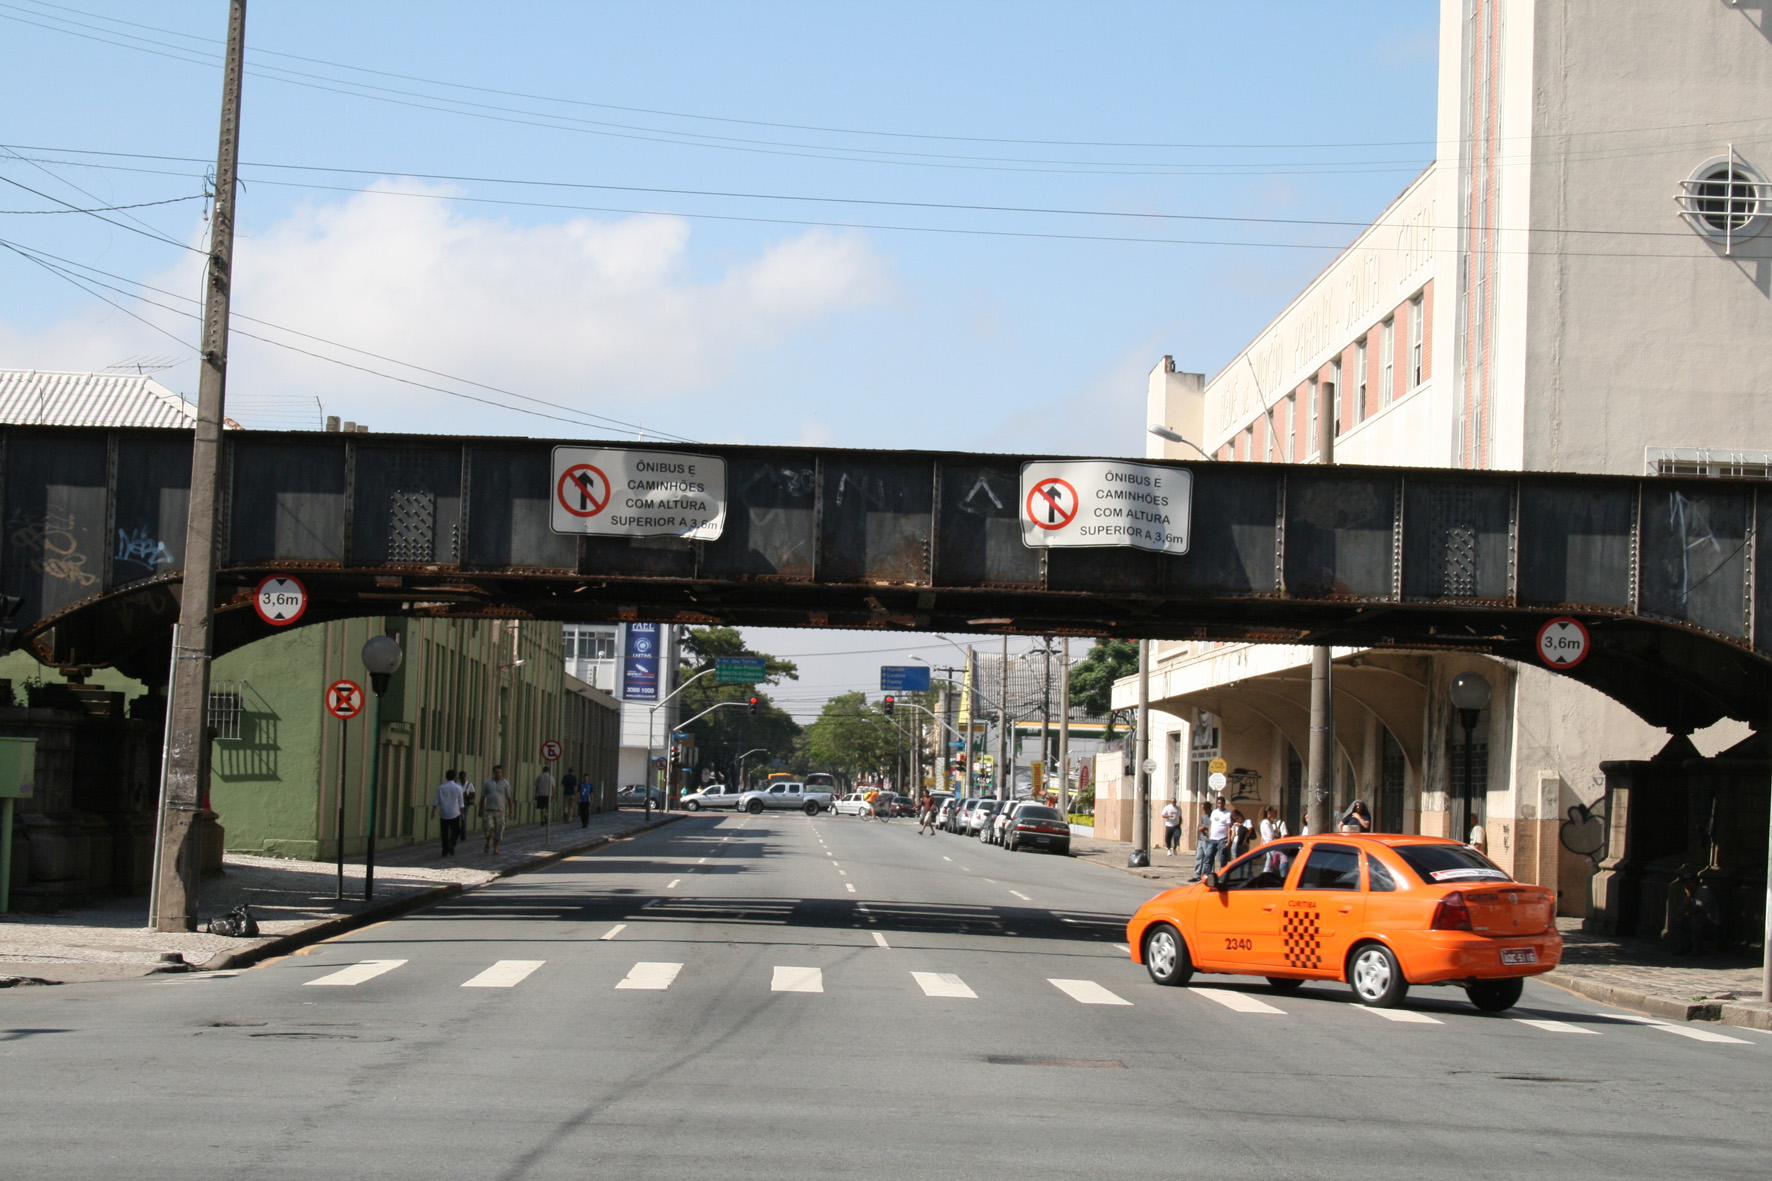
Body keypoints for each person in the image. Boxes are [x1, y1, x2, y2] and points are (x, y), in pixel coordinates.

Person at [1675, 872, 1722, 956]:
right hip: (1696, 921)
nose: (1687, 885)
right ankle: (1683, 946)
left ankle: (1697, 949)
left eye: (1689, 883)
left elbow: (1698, 909)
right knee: (1677, 920)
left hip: (1711, 925)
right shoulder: (1690, 894)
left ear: (1695, 883)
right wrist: (1688, 898)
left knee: (1695, 919)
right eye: (1685, 883)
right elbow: (1682, 911)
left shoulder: (1705, 892)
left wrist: (1684, 914)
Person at [1193, 796, 1232, 881]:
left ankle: (1222, 877)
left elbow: (1229, 828)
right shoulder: (1214, 812)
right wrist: (1210, 835)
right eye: (1218, 803)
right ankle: (1206, 877)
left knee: (1222, 860)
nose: (1220, 805)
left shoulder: (1227, 814)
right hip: (1212, 840)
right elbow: (1211, 824)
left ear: (1224, 804)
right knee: (1208, 858)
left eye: (1221, 803)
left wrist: (1229, 841)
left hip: (1223, 840)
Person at [430, 769, 464, 856]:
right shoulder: (458, 788)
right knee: (456, 831)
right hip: (455, 812)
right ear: (455, 777)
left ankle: (445, 850)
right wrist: (462, 813)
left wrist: (433, 811)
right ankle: (452, 842)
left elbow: (436, 801)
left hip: (444, 812)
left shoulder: (441, 788)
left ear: (446, 777)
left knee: (444, 832)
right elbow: (460, 802)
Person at [480, 765, 513, 854]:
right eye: (496, 772)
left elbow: (509, 797)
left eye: (500, 772)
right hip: (489, 809)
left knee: (499, 830)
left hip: (500, 810)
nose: (498, 774)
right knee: (488, 827)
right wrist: (480, 809)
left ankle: (496, 848)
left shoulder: (505, 783)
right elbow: (483, 796)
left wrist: (511, 811)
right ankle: (488, 841)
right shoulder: (487, 783)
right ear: (493, 773)